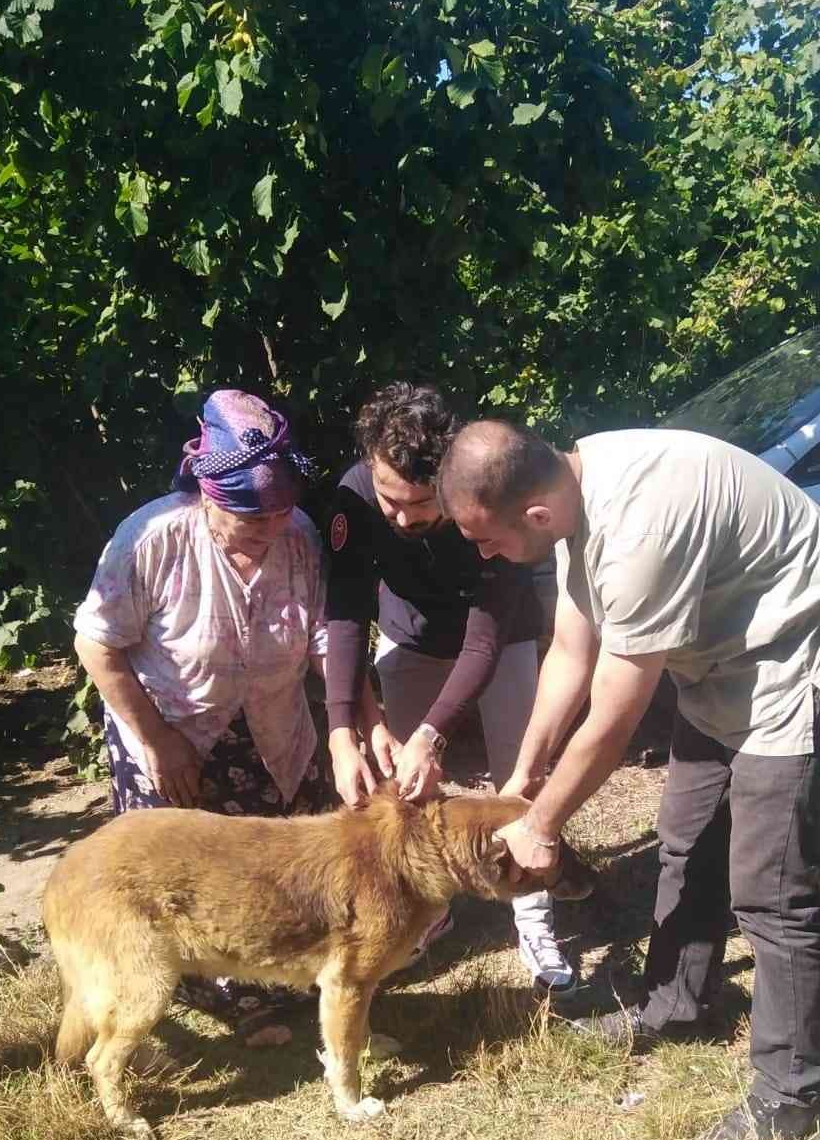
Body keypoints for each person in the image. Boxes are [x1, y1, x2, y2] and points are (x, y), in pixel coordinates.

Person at [436, 420, 820, 1140]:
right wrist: (523, 778)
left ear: (535, 515)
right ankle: (678, 1005)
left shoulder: (640, 527)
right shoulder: (577, 496)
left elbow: (614, 718)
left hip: (795, 667)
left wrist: (542, 826)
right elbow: (570, 652)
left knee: (770, 889)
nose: (482, 553)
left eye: (486, 539)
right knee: (685, 837)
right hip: (724, 668)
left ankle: (786, 1099)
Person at [73, 388, 353, 1027]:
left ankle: (275, 980)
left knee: (272, 875)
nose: (271, 532)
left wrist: (352, 724)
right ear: (208, 497)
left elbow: (320, 642)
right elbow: (98, 646)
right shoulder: (151, 536)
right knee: (181, 877)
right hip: (172, 729)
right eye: (253, 522)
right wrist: (158, 741)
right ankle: (202, 993)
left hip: (274, 731)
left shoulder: (300, 535)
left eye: (281, 516)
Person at [323, 383, 576, 993]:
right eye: (390, 500)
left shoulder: (485, 492)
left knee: (521, 776)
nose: (402, 519)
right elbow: (345, 615)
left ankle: (534, 915)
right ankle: (426, 914)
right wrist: (343, 730)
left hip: (500, 639)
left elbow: (484, 642)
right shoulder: (353, 499)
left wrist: (433, 734)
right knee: (406, 792)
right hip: (410, 639)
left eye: (420, 506)